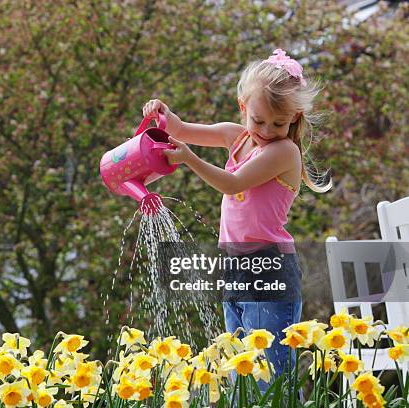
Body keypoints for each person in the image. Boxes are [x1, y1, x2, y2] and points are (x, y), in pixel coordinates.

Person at [141, 48, 331, 387]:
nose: (267, 130)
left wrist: (189, 160)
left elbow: (232, 182)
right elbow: (182, 130)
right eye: (258, 120)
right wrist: (163, 114)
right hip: (233, 266)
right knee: (243, 375)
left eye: (279, 123)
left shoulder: (284, 152)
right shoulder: (237, 136)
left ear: (294, 118)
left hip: (268, 268)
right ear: (244, 107)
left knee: (270, 379)